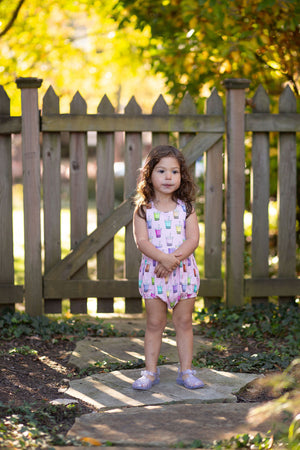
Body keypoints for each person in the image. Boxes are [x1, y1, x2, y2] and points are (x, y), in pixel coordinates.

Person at [132, 144, 204, 390]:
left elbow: (193, 239)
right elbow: (141, 241)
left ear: (181, 175)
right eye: (161, 171)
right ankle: (150, 373)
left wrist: (173, 260)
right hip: (154, 276)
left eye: (174, 171)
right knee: (155, 324)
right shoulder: (143, 209)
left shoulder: (187, 208)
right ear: (149, 174)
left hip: (183, 274)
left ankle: (186, 371)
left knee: (183, 322)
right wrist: (163, 259)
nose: (168, 177)